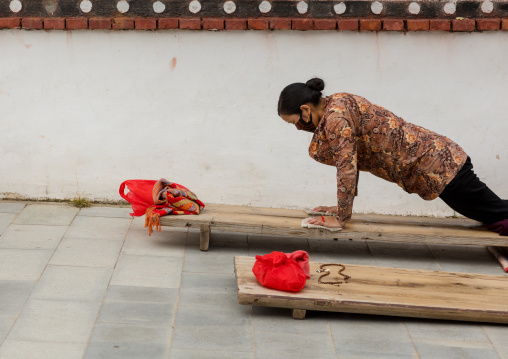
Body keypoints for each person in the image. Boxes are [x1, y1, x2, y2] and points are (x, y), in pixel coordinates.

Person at [277, 78, 508, 236]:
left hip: (441, 168)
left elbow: (346, 167)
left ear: (305, 109)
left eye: (294, 121)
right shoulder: (338, 102)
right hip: (439, 163)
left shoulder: (336, 119)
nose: (297, 126)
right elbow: (351, 160)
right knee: (493, 214)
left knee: (496, 215)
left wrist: (341, 218)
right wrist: (340, 209)